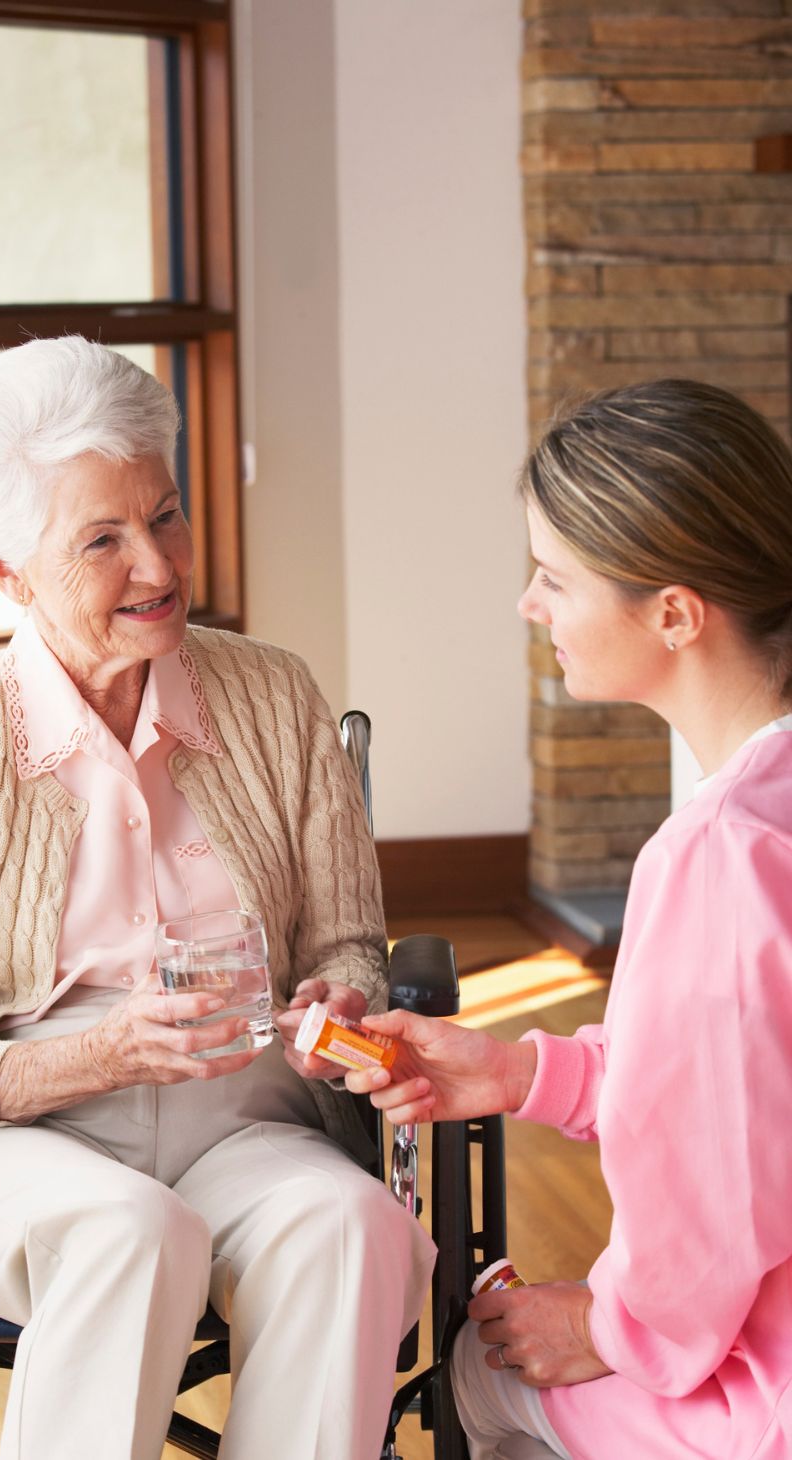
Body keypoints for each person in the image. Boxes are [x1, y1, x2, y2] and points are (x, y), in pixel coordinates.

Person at [0, 334, 435, 1460]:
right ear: (6, 570)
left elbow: (353, 943)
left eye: (164, 515)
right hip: (22, 1135)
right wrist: (99, 1054)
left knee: (354, 1224)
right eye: (103, 540)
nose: (160, 567)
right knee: (129, 1230)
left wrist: (340, 1009)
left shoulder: (275, 695)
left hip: (249, 1112)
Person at [344, 379, 792, 1459]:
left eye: (553, 576)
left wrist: (605, 1320)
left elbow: (722, 1178)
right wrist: (521, 1074)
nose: (529, 604)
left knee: (474, 1371)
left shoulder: (721, 850)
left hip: (765, 1400)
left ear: (675, 613)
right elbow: (728, 1071)